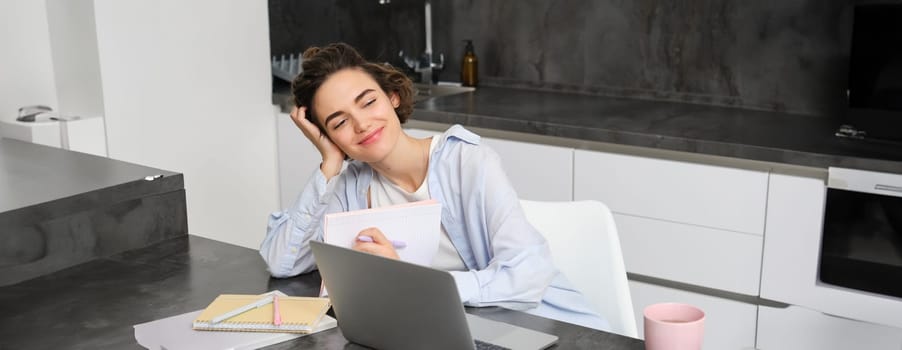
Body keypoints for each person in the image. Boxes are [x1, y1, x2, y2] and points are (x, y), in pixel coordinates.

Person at [259, 43, 610, 331]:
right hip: (449, 332)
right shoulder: (350, 186)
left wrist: (414, 283)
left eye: (368, 102)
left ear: (392, 97)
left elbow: (528, 274)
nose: (362, 124)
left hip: (542, 328)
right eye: (339, 123)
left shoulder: (466, 162)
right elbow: (282, 262)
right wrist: (328, 165)